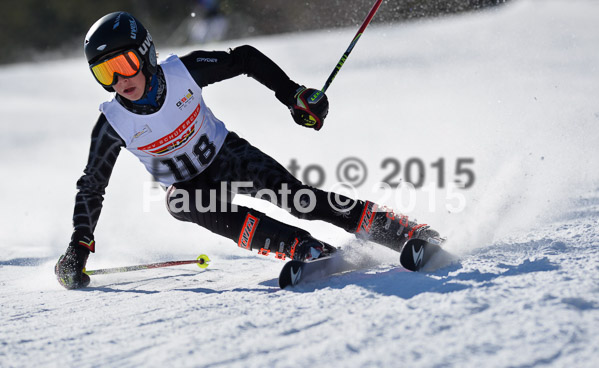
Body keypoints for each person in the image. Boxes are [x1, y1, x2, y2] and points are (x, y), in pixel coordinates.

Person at [55, 11, 442, 289]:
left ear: (145, 53)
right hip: (191, 188)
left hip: (228, 156)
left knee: (299, 200)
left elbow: (244, 59)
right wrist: (79, 246)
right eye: (105, 73)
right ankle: (303, 247)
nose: (120, 80)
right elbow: (92, 186)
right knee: (181, 203)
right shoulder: (112, 124)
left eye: (123, 63)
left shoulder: (182, 72)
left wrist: (292, 94)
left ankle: (405, 231)